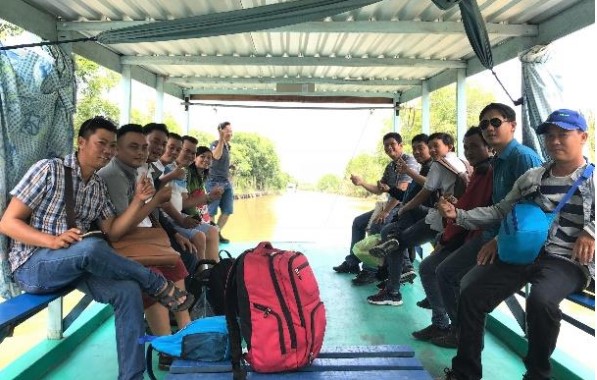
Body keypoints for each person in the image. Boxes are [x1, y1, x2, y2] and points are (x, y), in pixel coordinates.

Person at [0, 116, 192, 380]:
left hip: (74, 265)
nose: (108, 151)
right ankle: (155, 283)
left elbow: (112, 230)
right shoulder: (49, 170)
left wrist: (138, 200)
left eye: (112, 146)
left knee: (128, 291)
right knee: (90, 248)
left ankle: (131, 376)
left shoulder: (97, 185)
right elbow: (8, 222)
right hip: (33, 264)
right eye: (102, 143)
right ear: (81, 142)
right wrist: (52, 241)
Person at [442, 109, 594, 380]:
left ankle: (537, 374)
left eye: (563, 134)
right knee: (472, 295)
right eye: (550, 136)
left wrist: (590, 231)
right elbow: (501, 211)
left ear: (582, 137)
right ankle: (465, 373)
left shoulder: (592, 180)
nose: (555, 141)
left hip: (565, 262)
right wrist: (460, 216)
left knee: (541, 301)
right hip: (525, 254)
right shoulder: (533, 177)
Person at [433, 102, 543, 348]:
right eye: (484, 124)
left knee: (467, 286)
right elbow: (499, 207)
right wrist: (457, 213)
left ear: (512, 125)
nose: (489, 128)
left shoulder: (522, 157)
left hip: (515, 243)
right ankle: (461, 334)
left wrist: (497, 240)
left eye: (496, 122)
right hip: (493, 234)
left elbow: (533, 211)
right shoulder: (498, 161)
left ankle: (466, 341)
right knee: (445, 272)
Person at [97, 124, 193, 368]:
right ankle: (166, 346)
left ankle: (186, 334)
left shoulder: (140, 170)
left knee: (175, 263)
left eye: (143, 147)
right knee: (154, 277)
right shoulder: (113, 175)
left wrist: (167, 226)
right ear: (117, 149)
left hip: (144, 237)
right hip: (124, 243)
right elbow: (123, 226)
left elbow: (149, 214)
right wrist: (155, 201)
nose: (141, 152)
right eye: (133, 147)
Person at [411, 127, 493, 341]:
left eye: (475, 146)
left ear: (489, 147)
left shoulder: (487, 172)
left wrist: (448, 230)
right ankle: (443, 324)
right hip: (460, 231)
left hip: (476, 236)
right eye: (467, 147)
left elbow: (476, 212)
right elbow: (468, 205)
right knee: (429, 267)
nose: (469, 151)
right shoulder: (474, 170)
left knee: (444, 272)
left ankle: (460, 331)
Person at [366, 132, 467, 306]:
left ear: (449, 147)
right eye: (415, 149)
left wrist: (405, 202)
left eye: (422, 148)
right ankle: (399, 276)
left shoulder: (437, 165)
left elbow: (424, 192)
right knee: (390, 231)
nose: (418, 152)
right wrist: (391, 190)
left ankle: (397, 282)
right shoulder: (444, 164)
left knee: (394, 230)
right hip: (444, 217)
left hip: (439, 217)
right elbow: (409, 194)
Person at [333, 132, 420, 285]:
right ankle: (353, 262)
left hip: (405, 206)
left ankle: (370, 270)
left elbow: (402, 190)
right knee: (358, 222)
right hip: (390, 205)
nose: (389, 148)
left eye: (392, 144)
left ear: (401, 145)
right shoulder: (390, 166)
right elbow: (379, 190)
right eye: (386, 145)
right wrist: (362, 183)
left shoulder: (409, 161)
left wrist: (385, 211)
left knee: (378, 224)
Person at [206, 121, 235, 244]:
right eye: (227, 130)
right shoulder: (215, 144)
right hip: (214, 182)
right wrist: (221, 139)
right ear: (221, 131)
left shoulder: (228, 146)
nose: (230, 133)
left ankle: (217, 232)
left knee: (228, 210)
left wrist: (229, 168)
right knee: (212, 211)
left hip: (226, 182)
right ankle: (212, 237)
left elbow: (220, 163)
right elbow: (215, 157)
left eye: (231, 130)